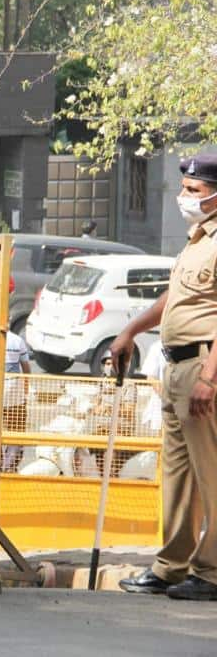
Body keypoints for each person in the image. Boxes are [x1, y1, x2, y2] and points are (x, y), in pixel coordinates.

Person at [114, 153, 217, 601]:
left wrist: (209, 377)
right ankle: (172, 565)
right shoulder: (197, 241)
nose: (184, 198)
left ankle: (211, 571)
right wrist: (131, 328)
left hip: (202, 367)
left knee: (210, 475)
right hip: (175, 366)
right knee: (178, 475)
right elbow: (174, 297)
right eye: (185, 189)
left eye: (194, 191)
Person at [0, 330, 32, 470]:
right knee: (15, 432)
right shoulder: (17, 340)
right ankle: (9, 467)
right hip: (14, 394)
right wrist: (26, 388)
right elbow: (26, 368)